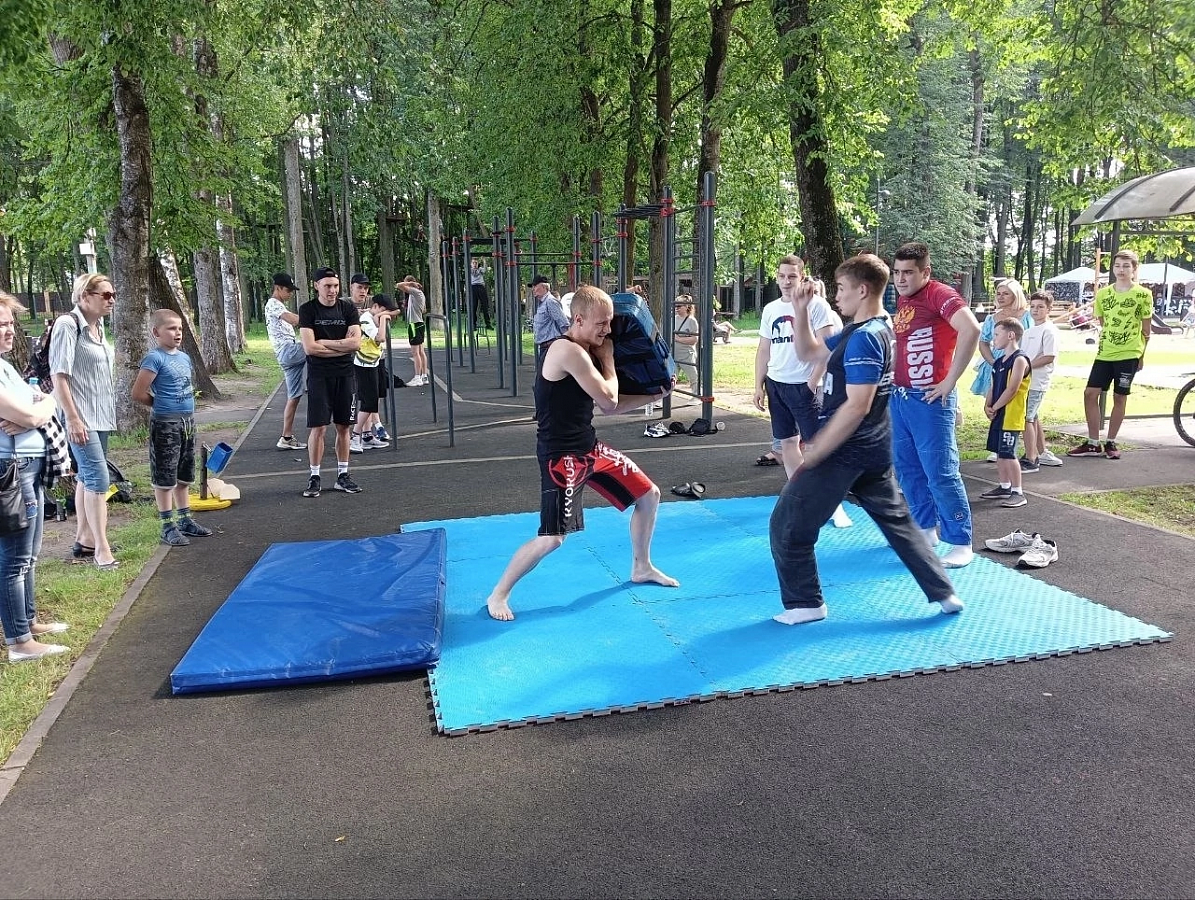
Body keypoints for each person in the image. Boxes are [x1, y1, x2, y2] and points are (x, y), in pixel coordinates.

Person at [769, 254, 963, 625]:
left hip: (848, 450)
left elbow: (858, 405)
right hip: (874, 447)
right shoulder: (865, 328)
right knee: (899, 524)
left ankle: (805, 603)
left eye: (841, 289)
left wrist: (818, 448)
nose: (837, 296)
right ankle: (944, 591)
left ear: (862, 290)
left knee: (787, 524)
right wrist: (800, 310)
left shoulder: (866, 339)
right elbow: (809, 353)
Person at [484, 285, 679, 622]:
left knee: (649, 495)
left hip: (589, 449)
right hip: (561, 458)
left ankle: (642, 567)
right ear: (577, 319)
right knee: (552, 539)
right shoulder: (566, 350)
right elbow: (609, 399)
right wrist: (607, 359)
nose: (607, 331)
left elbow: (609, 409)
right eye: (601, 324)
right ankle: (497, 594)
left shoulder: (584, 350)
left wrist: (655, 396)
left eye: (609, 323)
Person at [889, 242, 981, 569]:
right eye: (896, 272)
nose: (900, 278)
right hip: (900, 397)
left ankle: (960, 540)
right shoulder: (904, 299)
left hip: (929, 398)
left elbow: (971, 329)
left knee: (940, 471)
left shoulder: (938, 294)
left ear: (925, 272)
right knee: (907, 468)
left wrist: (949, 382)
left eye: (908, 273)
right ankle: (925, 530)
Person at [753, 254, 852, 528]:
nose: (787, 281)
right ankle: (799, 496)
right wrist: (758, 384)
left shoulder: (817, 305)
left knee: (818, 446)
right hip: (777, 383)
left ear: (802, 276)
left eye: (792, 276)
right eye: (782, 276)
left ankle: (833, 504)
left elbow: (828, 346)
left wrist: (812, 382)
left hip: (805, 385)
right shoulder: (771, 309)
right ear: (776, 276)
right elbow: (764, 348)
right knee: (787, 444)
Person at [0, 291, 71, 661]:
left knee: (30, 554)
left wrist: (39, 405)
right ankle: (19, 642)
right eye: (1, 325)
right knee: (14, 557)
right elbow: (30, 415)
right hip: (10, 472)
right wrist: (37, 408)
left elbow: (45, 399)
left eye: (10, 323)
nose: (9, 331)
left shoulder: (7, 367)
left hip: (29, 466)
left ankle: (27, 621)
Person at [50, 272, 119, 569]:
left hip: (101, 414)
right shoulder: (68, 325)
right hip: (80, 417)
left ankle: (84, 539)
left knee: (86, 478)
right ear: (84, 296)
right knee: (99, 479)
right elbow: (59, 376)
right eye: (105, 295)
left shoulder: (98, 326)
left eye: (113, 294)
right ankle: (103, 550)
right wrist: (73, 419)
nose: (111, 300)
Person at [131, 310, 215, 546]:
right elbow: (138, 393)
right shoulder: (154, 358)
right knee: (165, 476)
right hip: (165, 423)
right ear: (156, 332)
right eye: (171, 328)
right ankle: (167, 525)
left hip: (187, 422)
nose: (177, 333)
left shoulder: (184, 358)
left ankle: (185, 519)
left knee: (184, 474)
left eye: (179, 328)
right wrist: (161, 406)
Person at [1066, 250, 1153, 460]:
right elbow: (1103, 322)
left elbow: (1146, 329)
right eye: (1117, 266)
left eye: (1126, 266)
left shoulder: (1143, 294)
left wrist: (1141, 355)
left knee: (1119, 396)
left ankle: (1111, 441)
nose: (1121, 270)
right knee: (1090, 393)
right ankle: (1093, 442)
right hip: (1106, 352)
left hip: (1129, 352)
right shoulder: (1104, 294)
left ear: (1134, 269)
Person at [298, 267, 362, 498]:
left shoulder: (348, 308)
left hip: (345, 375)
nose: (332, 290)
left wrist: (325, 343)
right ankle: (314, 476)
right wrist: (340, 346)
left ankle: (342, 475)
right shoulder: (307, 310)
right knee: (319, 428)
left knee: (345, 427)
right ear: (316, 285)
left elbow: (356, 344)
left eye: (335, 286)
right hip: (319, 376)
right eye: (327, 286)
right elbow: (309, 348)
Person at [978, 319, 1031, 508]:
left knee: (1009, 453)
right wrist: (988, 405)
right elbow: (993, 386)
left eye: (997, 334)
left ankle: (1018, 491)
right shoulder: (999, 361)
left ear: (1010, 335)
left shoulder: (1019, 360)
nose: (993, 339)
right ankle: (1004, 485)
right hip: (999, 412)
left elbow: (1012, 389)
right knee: (999, 451)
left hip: (1011, 415)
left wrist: (997, 406)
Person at [1019, 290, 1063, 471]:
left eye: (1041, 307)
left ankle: (1031, 459)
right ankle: (1040, 451)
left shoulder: (1049, 330)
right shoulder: (1029, 330)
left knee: (1026, 418)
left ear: (1049, 309)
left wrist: (1027, 366)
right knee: (1033, 416)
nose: (1036, 310)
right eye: (1033, 306)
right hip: (1026, 380)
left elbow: (1049, 356)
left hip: (1037, 381)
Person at [264, 273, 308, 451]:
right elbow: (294, 320)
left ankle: (286, 437)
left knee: (294, 396)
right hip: (287, 351)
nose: (291, 293)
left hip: (288, 353)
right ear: (278, 288)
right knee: (318, 347)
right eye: (288, 290)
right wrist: (318, 318)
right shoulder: (273, 304)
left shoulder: (280, 305)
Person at [350, 293, 399, 453]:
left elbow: (397, 311)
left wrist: (384, 314)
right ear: (375, 306)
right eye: (382, 311)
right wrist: (384, 319)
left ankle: (367, 436)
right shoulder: (366, 319)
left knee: (373, 399)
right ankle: (354, 436)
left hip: (372, 362)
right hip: (363, 365)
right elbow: (380, 337)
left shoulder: (372, 316)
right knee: (368, 402)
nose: (385, 315)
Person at [397, 275, 429, 386]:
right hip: (419, 323)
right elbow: (424, 310)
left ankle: (417, 377)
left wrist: (410, 284)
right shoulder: (418, 294)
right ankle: (424, 375)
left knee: (415, 352)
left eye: (407, 283)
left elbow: (398, 285)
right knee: (420, 352)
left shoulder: (415, 292)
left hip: (414, 324)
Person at [530, 275, 568, 362]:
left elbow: (564, 324)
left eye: (535, 286)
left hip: (550, 347)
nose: (533, 289)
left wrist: (566, 345)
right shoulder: (543, 303)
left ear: (544, 286)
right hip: (545, 347)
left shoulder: (550, 302)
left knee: (546, 375)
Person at [672, 297, 700, 393]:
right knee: (670, 377)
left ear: (687, 307)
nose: (676, 308)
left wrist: (679, 339)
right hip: (674, 353)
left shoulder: (691, 321)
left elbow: (694, 339)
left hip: (686, 354)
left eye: (679, 306)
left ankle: (696, 394)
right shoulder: (673, 319)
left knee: (693, 376)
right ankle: (664, 399)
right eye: (675, 305)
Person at [470, 259, 492, 330]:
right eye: (473, 263)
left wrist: (484, 261)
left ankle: (488, 324)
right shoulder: (470, 270)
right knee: (473, 307)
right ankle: (473, 325)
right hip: (473, 287)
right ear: (471, 264)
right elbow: (474, 273)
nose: (475, 264)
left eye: (476, 263)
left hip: (481, 287)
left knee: (485, 306)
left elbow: (485, 270)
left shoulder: (480, 269)